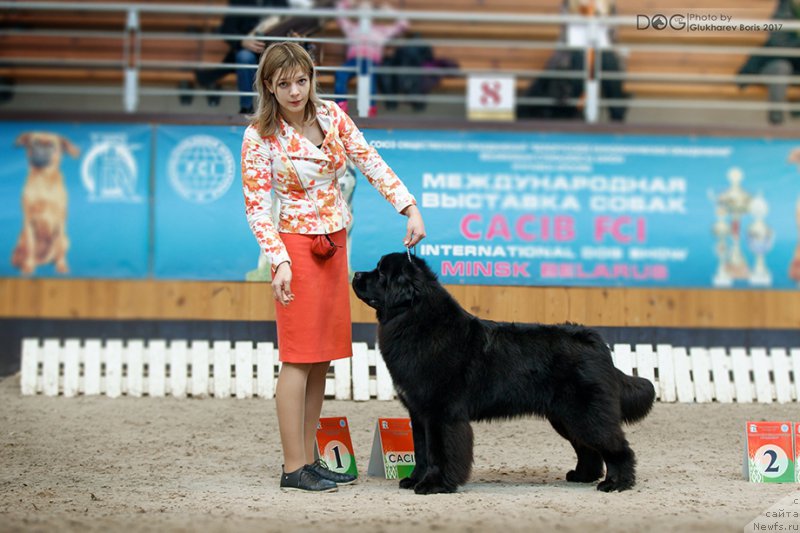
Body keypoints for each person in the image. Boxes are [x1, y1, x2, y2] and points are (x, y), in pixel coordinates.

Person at [241, 41, 425, 492]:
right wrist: (279, 260)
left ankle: (309, 458)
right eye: (283, 83)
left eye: (301, 80)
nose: (295, 91)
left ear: (311, 78)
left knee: (320, 357)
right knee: (297, 359)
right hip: (294, 249)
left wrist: (409, 206)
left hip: (334, 243)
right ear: (268, 85)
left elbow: (370, 161)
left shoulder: (333, 117)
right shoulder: (258, 136)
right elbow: (257, 209)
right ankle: (292, 467)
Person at [334, 0, 408, 116]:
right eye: (361, 9)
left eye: (368, 10)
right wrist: (349, 3)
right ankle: (341, 107)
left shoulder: (381, 30)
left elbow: (403, 24)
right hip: (354, 61)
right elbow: (339, 15)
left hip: (371, 61)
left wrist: (390, 11)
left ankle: (370, 109)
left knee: (369, 79)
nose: (365, 13)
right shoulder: (352, 28)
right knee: (340, 74)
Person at [738, 0, 800, 125]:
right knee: (781, 68)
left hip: (796, 68)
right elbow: (778, 41)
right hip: (772, 62)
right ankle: (776, 122)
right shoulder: (784, 8)